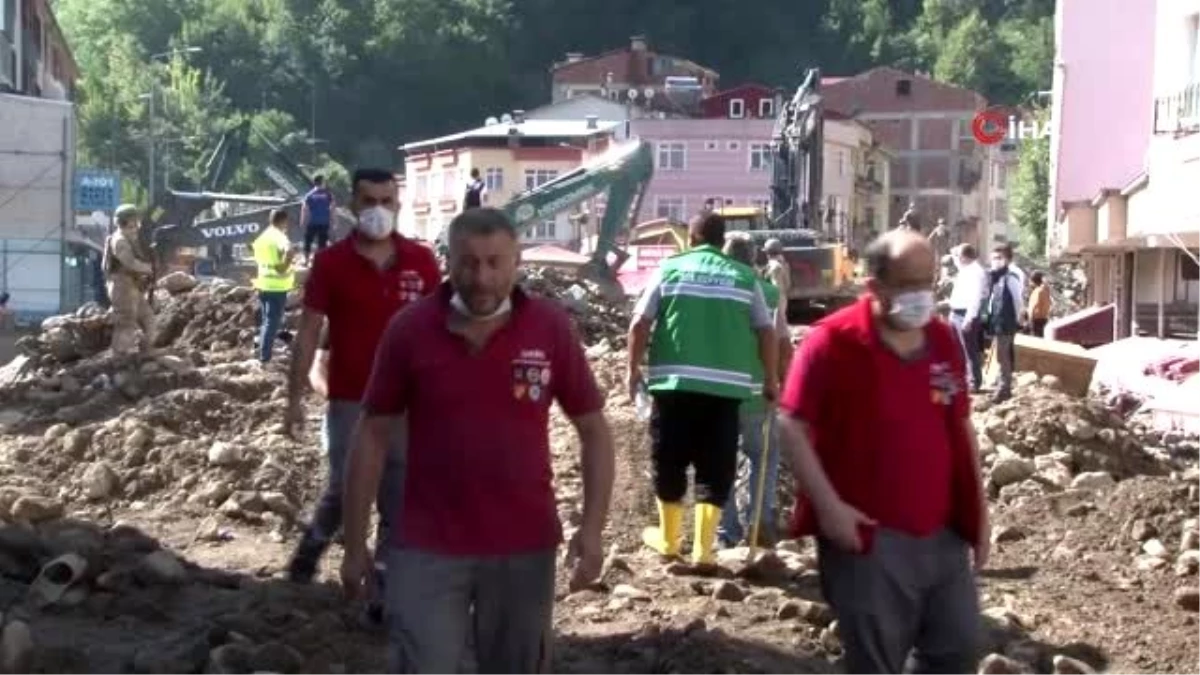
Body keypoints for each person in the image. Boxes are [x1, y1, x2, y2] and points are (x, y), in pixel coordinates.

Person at [345, 207, 614, 675]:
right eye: (469, 262)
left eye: (495, 262)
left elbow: (593, 428)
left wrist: (592, 530)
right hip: (426, 546)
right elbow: (370, 433)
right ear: (448, 261)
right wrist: (353, 543)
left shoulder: (549, 328)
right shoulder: (410, 330)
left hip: (523, 547)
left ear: (516, 262)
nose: (482, 277)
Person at [778, 228, 987, 675]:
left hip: (943, 535)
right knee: (876, 663)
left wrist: (980, 513)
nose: (921, 296)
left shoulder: (944, 340)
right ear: (875, 286)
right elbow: (790, 424)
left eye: (927, 283)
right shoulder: (830, 343)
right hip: (869, 540)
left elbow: (961, 425)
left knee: (957, 649)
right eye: (909, 284)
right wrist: (829, 508)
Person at [283, 168, 440, 625]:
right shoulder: (331, 264)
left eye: (387, 200)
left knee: (398, 496)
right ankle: (313, 546)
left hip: (409, 405)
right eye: (369, 200)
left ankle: (383, 592)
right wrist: (294, 395)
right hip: (352, 398)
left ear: (398, 204)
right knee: (345, 486)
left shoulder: (422, 262)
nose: (378, 209)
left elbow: (441, 330)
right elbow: (310, 330)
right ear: (351, 205)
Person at [628, 212, 779, 567]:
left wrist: (631, 370)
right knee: (717, 465)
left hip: (674, 386)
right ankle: (703, 551)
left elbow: (640, 322)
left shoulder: (670, 268)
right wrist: (770, 379)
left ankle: (668, 542)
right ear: (721, 238)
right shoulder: (744, 277)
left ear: (692, 238)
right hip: (725, 392)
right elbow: (767, 331)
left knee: (670, 460)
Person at [717, 232, 790, 548]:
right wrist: (781, 382)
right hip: (759, 391)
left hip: (720, 392)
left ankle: (727, 532)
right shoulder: (771, 294)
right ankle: (760, 519)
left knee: (720, 460)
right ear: (755, 258)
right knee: (765, 456)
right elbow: (784, 344)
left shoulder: (713, 292)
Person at [101, 204, 156, 354]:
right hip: (122, 286)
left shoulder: (128, 238)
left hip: (130, 286)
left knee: (148, 318)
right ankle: (121, 356)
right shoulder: (120, 241)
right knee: (126, 323)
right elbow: (129, 262)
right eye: (134, 221)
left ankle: (145, 352)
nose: (137, 225)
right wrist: (147, 268)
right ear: (127, 221)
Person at [251, 209, 296, 363]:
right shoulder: (279, 236)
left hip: (263, 284)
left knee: (266, 320)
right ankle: (265, 358)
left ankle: (261, 352)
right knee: (272, 322)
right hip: (276, 286)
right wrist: (283, 266)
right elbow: (289, 251)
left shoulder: (262, 237)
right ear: (283, 221)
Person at [986, 244, 1025, 402]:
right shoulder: (996, 277)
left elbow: (1018, 301)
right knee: (1001, 355)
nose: (995, 261)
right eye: (993, 258)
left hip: (1006, 322)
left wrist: (1019, 320)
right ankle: (1002, 386)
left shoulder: (1010, 277)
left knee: (1003, 356)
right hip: (997, 321)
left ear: (1008, 260)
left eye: (999, 258)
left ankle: (1004, 389)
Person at [947, 244, 989, 392]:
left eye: (959, 256)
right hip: (956, 313)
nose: (957, 259)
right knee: (957, 349)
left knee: (969, 350)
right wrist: (954, 253)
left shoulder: (976, 272)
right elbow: (957, 261)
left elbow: (975, 298)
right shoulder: (966, 269)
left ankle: (974, 382)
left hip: (965, 314)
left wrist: (969, 319)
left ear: (964, 257)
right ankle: (963, 379)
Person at [301, 175, 335, 265]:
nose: (325, 183)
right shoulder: (328, 194)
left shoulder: (309, 195)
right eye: (324, 181)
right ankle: (320, 262)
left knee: (308, 241)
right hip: (324, 222)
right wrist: (334, 221)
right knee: (322, 243)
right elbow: (332, 209)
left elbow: (304, 209)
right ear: (322, 182)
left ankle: (306, 260)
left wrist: (303, 221)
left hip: (312, 222)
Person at [1028, 271, 1052, 337]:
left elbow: (1033, 306)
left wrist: (1030, 320)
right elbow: (1050, 304)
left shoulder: (1038, 291)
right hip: (1044, 319)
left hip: (1037, 321)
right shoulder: (1046, 290)